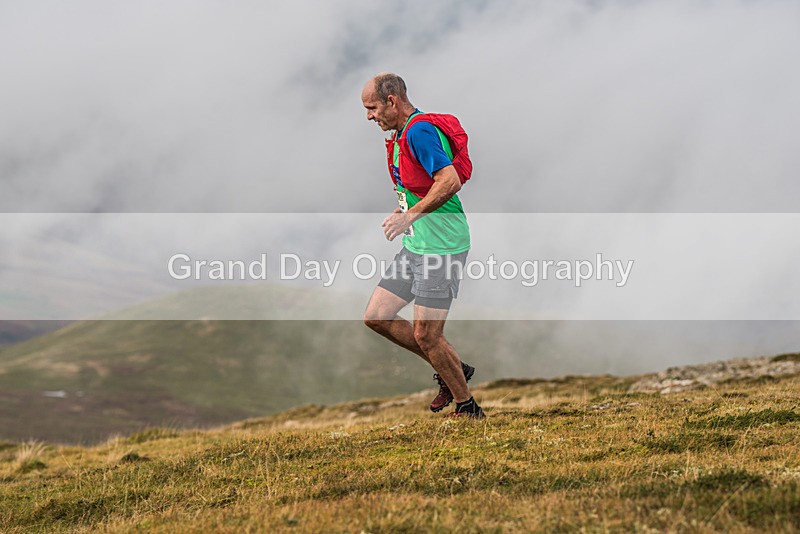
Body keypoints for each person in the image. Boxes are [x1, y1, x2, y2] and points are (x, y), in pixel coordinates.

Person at [361, 72, 484, 419]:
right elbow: (418, 185)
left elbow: (449, 181)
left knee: (428, 336)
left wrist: (410, 215)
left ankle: (467, 408)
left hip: (442, 248)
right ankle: (453, 366)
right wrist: (405, 211)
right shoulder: (401, 135)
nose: (369, 116)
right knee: (377, 316)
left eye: (372, 108)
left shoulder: (419, 132)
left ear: (391, 101)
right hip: (418, 244)